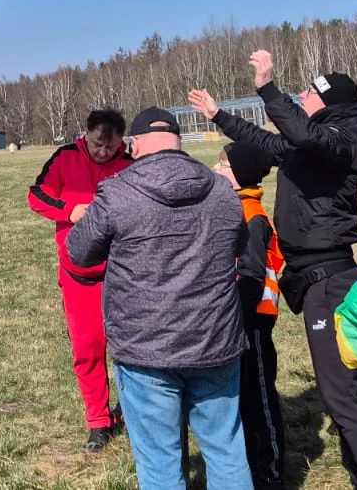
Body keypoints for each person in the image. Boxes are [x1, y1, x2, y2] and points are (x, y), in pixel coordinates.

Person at [189, 53, 357, 490]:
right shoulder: (311, 144)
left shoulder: (343, 142)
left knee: (340, 394)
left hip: (330, 279)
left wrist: (267, 87)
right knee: (338, 392)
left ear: (329, 103)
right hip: (312, 278)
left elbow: (299, 130)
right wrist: (218, 115)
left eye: (309, 94)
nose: (302, 97)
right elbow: (266, 142)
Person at [67, 108, 251, 490]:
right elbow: (239, 245)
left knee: (159, 464)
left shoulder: (118, 191)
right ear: (179, 140)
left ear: (133, 145)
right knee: (227, 451)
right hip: (214, 339)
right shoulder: (222, 190)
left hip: (145, 347)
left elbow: (79, 251)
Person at [27, 109, 133, 452]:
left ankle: (132, 411)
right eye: (97, 144)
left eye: (110, 145)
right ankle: (99, 422)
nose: (103, 152)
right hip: (77, 275)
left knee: (130, 347)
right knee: (87, 347)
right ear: (85, 134)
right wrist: (69, 210)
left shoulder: (130, 164)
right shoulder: (64, 158)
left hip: (123, 273)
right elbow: (36, 195)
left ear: (122, 140)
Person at [216, 141, 286, 490]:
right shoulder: (234, 207)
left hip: (253, 322)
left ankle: (271, 469)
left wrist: (240, 320)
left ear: (240, 175)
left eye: (223, 166)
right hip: (236, 322)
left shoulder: (251, 216)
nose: (216, 169)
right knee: (241, 399)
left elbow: (253, 275)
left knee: (259, 398)